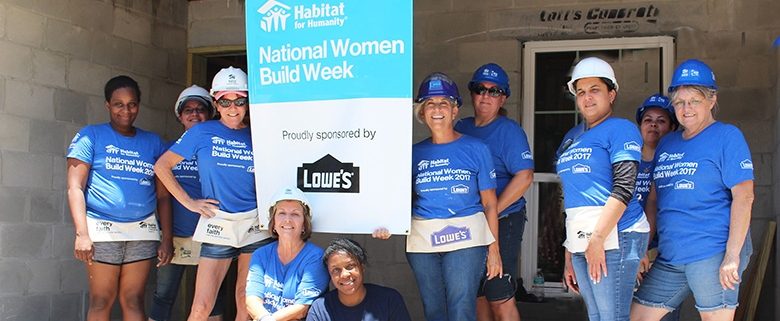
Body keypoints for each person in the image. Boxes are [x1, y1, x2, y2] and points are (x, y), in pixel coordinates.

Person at [631, 59, 754, 321]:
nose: (686, 108)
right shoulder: (667, 143)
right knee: (637, 317)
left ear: (711, 100)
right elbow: (653, 201)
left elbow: (744, 196)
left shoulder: (726, 136)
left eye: (694, 101)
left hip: (713, 251)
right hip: (671, 256)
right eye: (679, 102)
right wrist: (643, 247)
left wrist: (732, 256)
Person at [375, 72, 501, 321]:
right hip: (423, 240)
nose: (437, 109)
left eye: (444, 102)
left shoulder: (477, 150)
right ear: (421, 113)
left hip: (466, 237)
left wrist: (494, 249)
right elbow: (398, 199)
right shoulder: (412, 154)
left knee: (461, 308)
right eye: (430, 103)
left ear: (455, 111)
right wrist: (387, 224)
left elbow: (489, 203)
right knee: (433, 309)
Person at [154, 67, 270, 321]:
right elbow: (161, 166)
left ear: (248, 102)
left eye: (240, 100)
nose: (233, 107)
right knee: (201, 306)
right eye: (225, 100)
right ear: (215, 101)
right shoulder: (200, 132)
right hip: (218, 222)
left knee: (245, 300)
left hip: (254, 223)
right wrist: (189, 202)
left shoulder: (259, 134)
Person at [66, 75, 172, 321]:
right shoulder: (91, 136)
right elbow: (75, 187)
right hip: (102, 230)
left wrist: (166, 237)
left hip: (142, 231)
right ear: (107, 105)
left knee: (134, 300)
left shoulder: (153, 142)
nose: (126, 110)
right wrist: (82, 234)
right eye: (118, 104)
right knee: (101, 300)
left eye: (132, 104)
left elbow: (164, 197)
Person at [556, 57, 649, 321]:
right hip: (583, 239)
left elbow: (624, 186)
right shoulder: (571, 138)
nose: (587, 98)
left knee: (612, 317)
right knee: (597, 316)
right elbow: (572, 196)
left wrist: (596, 240)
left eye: (595, 90)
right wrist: (569, 252)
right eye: (581, 92)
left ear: (612, 94)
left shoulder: (621, 129)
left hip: (618, 234)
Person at [455, 63, 533, 321]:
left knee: (499, 294)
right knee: (478, 297)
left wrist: (491, 211)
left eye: (494, 91)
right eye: (481, 89)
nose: (486, 96)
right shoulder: (461, 128)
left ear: (503, 98)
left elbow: (525, 177)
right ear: (472, 93)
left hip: (503, 219)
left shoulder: (508, 131)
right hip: (468, 224)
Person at [149, 85, 226, 321]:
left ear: (210, 113)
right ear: (179, 116)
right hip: (178, 235)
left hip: (212, 236)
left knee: (213, 299)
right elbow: (163, 197)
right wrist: (167, 238)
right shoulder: (169, 150)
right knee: (163, 296)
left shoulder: (220, 148)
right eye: (188, 110)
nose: (194, 114)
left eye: (200, 109)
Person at [246, 187, 329, 321]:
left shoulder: (316, 257)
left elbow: (301, 309)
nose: (287, 220)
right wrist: (264, 318)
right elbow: (252, 299)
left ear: (304, 224)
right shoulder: (260, 255)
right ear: (273, 222)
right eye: (281, 213)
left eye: (295, 214)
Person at [632, 94, 680, 321]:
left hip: (665, 249)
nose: (653, 124)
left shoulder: (676, 161)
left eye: (661, 120)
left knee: (663, 312)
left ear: (672, 127)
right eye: (648, 119)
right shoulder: (627, 160)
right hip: (630, 247)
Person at [306, 238, 411, 321]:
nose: (344, 274)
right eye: (336, 270)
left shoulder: (389, 300)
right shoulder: (320, 309)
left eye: (350, 266)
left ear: (362, 267)